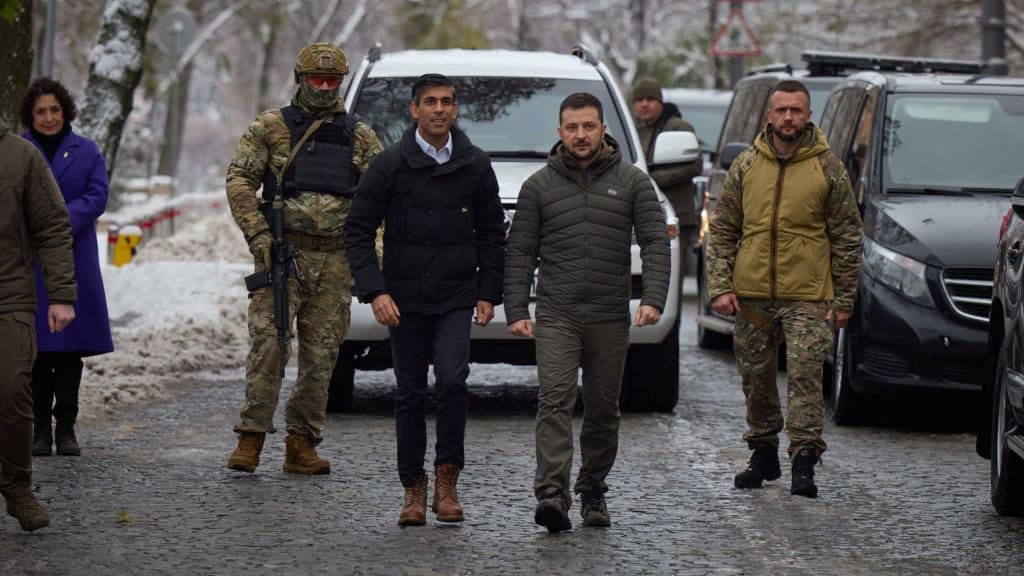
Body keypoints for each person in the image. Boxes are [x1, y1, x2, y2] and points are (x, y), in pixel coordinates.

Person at [504, 92, 670, 532]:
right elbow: (520, 251)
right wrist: (517, 307)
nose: (581, 135)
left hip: (608, 315)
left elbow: (655, 241)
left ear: (602, 129)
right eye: (572, 128)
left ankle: (593, 488)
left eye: (589, 126)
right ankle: (551, 494)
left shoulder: (633, 182)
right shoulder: (537, 186)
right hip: (557, 315)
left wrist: (653, 298)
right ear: (560, 132)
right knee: (554, 400)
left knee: (602, 408)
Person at [344, 73, 506, 526]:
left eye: (447, 102)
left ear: (456, 110)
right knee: (409, 392)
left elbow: (493, 233)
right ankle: (412, 491)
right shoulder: (390, 164)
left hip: (456, 294)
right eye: (430, 102)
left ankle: (447, 483)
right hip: (404, 297)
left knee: (453, 383)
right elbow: (357, 229)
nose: (439, 109)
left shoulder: (475, 164)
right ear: (413, 110)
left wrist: (488, 292)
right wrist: (374, 289)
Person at [224, 42, 382, 475]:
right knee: (269, 347)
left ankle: (301, 443)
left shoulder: (360, 136)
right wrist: (259, 235)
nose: (326, 87)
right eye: (318, 79)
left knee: (322, 356)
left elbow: (381, 201)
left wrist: (373, 254)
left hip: (334, 263)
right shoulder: (271, 128)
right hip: (282, 254)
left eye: (333, 80)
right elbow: (239, 180)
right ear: (301, 79)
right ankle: (251, 437)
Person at [705, 80, 862, 498]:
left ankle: (804, 460)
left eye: (797, 110)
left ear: (809, 115)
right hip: (752, 293)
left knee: (806, 377)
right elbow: (722, 231)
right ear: (769, 115)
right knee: (755, 378)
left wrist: (844, 298)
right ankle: (763, 452)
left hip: (808, 295)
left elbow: (847, 236)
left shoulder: (828, 167)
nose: (788, 117)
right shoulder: (745, 166)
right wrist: (720, 286)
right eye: (781, 110)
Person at [20, 77, 114, 457]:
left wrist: (57, 219)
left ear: (65, 112)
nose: (48, 117)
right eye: (41, 111)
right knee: (39, 349)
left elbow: (97, 196)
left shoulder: (87, 151)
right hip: (31, 259)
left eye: (54, 110)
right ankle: (40, 428)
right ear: (31, 114)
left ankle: (67, 427)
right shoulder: (17, 150)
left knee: (70, 349)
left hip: (77, 258)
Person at [0, 118, 76, 531]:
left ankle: (16, 486)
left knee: (12, 390)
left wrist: (61, 295)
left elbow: (52, 226)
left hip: (8, 295)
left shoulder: (21, 155)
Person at [631, 78, 702, 280]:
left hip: (675, 215)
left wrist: (652, 180)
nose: (645, 104)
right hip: (639, 217)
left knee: (670, 278)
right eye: (640, 100)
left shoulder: (677, 127)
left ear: (660, 102)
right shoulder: (631, 131)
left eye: (651, 99)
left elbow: (695, 164)